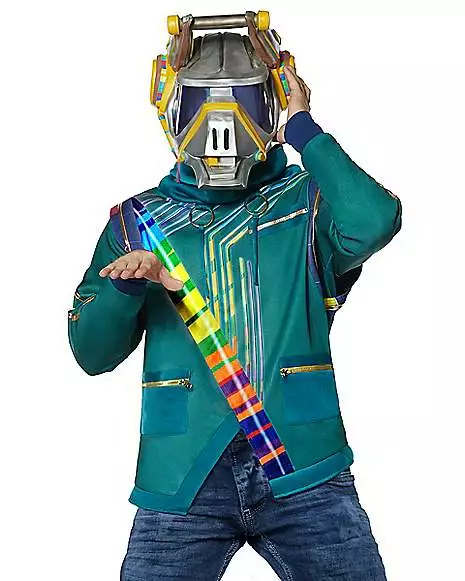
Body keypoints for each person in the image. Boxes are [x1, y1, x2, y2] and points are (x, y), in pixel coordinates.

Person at [68, 11, 401, 580]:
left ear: (272, 102)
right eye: (201, 102)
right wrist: (125, 286)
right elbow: (90, 353)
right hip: (183, 472)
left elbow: (374, 220)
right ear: (172, 104)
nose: (220, 125)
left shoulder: (308, 205)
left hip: (303, 461)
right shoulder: (138, 221)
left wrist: (305, 131)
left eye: (244, 100)